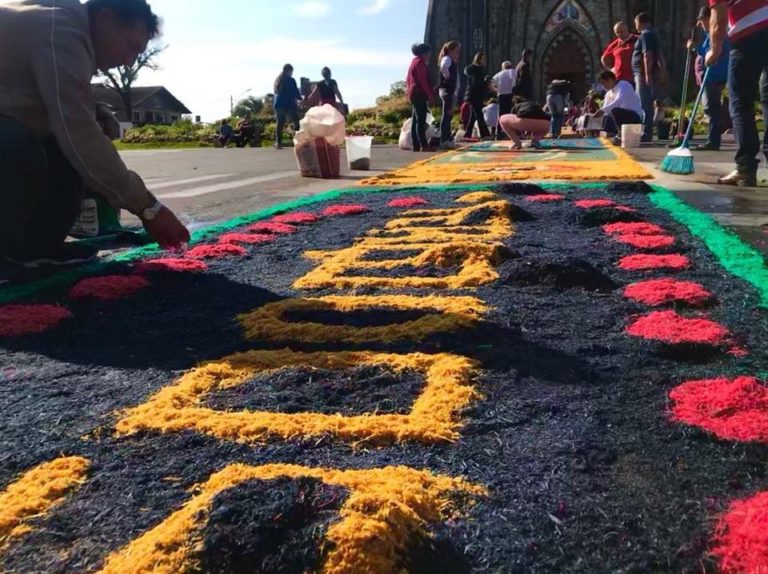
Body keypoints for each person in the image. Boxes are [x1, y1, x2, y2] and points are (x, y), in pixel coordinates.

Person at [0, 0, 189, 268]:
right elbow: (79, 133)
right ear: (106, 18)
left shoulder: (65, 23)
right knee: (18, 146)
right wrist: (149, 208)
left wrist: (94, 109)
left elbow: (29, 89)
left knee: (62, 151)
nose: (128, 61)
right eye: (131, 47)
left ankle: (34, 249)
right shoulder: (62, 31)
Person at [707, 0, 768, 187]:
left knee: (740, 102)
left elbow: (718, 20)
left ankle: (745, 167)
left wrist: (714, 50)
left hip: (748, 36)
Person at [690, 6, 730, 151]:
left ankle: (713, 140)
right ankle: (713, 139)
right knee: (711, 108)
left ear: (709, 18)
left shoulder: (717, 34)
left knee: (711, 108)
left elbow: (711, 52)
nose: (700, 24)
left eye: (702, 20)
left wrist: (695, 47)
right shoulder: (709, 35)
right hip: (710, 76)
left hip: (713, 75)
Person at [633, 12, 667, 142]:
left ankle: (646, 133)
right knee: (647, 102)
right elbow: (660, 54)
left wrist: (647, 74)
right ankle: (647, 131)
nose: (636, 27)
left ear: (640, 22)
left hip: (642, 73)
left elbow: (647, 55)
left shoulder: (646, 34)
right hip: (647, 73)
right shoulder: (653, 33)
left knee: (644, 103)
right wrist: (663, 71)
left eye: (636, 24)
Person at [593, 70, 644, 144]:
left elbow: (618, 102)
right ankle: (611, 133)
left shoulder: (624, 85)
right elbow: (605, 109)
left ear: (610, 79)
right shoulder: (609, 93)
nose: (603, 87)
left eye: (603, 83)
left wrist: (602, 111)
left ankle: (620, 135)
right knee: (605, 117)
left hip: (634, 117)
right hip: (621, 120)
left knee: (615, 111)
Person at [406, 43, 437, 152]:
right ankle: (423, 144)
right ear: (424, 53)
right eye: (428, 53)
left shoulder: (413, 62)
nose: (430, 55)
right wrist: (430, 95)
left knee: (416, 119)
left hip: (413, 93)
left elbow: (408, 79)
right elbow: (423, 81)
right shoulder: (420, 63)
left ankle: (416, 144)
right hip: (419, 93)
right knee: (421, 119)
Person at [437, 41, 461, 148]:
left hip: (450, 90)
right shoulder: (447, 59)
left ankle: (447, 138)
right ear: (451, 50)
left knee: (448, 115)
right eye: (456, 51)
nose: (458, 53)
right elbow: (444, 67)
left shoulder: (451, 60)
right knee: (447, 115)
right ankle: (444, 139)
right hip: (448, 91)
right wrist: (447, 76)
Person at [273, 63, 303, 149]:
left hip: (278, 104)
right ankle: (298, 142)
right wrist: (301, 99)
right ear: (289, 71)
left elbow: (276, 92)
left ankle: (278, 143)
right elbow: (295, 92)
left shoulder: (278, 80)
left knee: (280, 124)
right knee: (296, 122)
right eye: (291, 71)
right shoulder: (291, 80)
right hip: (288, 104)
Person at [601, 21, 639, 85]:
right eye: (617, 32)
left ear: (626, 29)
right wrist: (612, 69)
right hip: (620, 78)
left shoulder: (637, 39)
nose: (619, 34)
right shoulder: (615, 44)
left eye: (621, 31)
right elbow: (604, 58)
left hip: (636, 76)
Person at [464, 52, 491, 140]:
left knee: (473, 116)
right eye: (483, 59)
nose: (485, 61)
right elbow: (476, 83)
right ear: (478, 59)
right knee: (479, 115)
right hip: (474, 95)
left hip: (473, 94)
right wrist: (486, 82)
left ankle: (467, 134)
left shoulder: (477, 70)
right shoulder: (476, 70)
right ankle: (485, 134)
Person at [493, 61, 517, 139]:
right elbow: (514, 82)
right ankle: (511, 133)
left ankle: (499, 132)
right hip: (510, 94)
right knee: (511, 114)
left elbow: (490, 83)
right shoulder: (513, 71)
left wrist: (497, 90)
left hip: (501, 95)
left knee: (501, 114)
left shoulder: (498, 74)